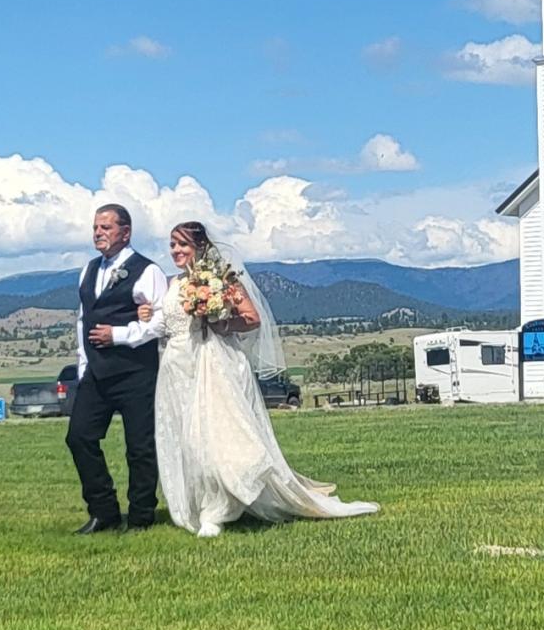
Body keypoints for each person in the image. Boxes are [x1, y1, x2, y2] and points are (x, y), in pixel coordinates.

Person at [143, 221, 379, 537]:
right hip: (176, 366)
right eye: (173, 244)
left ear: (200, 247)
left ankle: (218, 508)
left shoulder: (221, 278)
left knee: (213, 436)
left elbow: (251, 319)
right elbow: (164, 323)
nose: (176, 250)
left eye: (182, 244)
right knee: (187, 440)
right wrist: (146, 316)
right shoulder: (172, 284)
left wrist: (220, 322)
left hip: (211, 361)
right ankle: (197, 503)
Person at [66, 204, 169, 534]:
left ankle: (141, 515)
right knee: (79, 437)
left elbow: (161, 321)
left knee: (139, 447)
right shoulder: (88, 270)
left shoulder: (146, 270)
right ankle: (103, 510)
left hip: (135, 372)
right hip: (96, 373)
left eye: (106, 227)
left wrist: (120, 335)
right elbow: (83, 319)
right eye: (96, 227)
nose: (98, 233)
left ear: (125, 232)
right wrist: (84, 363)